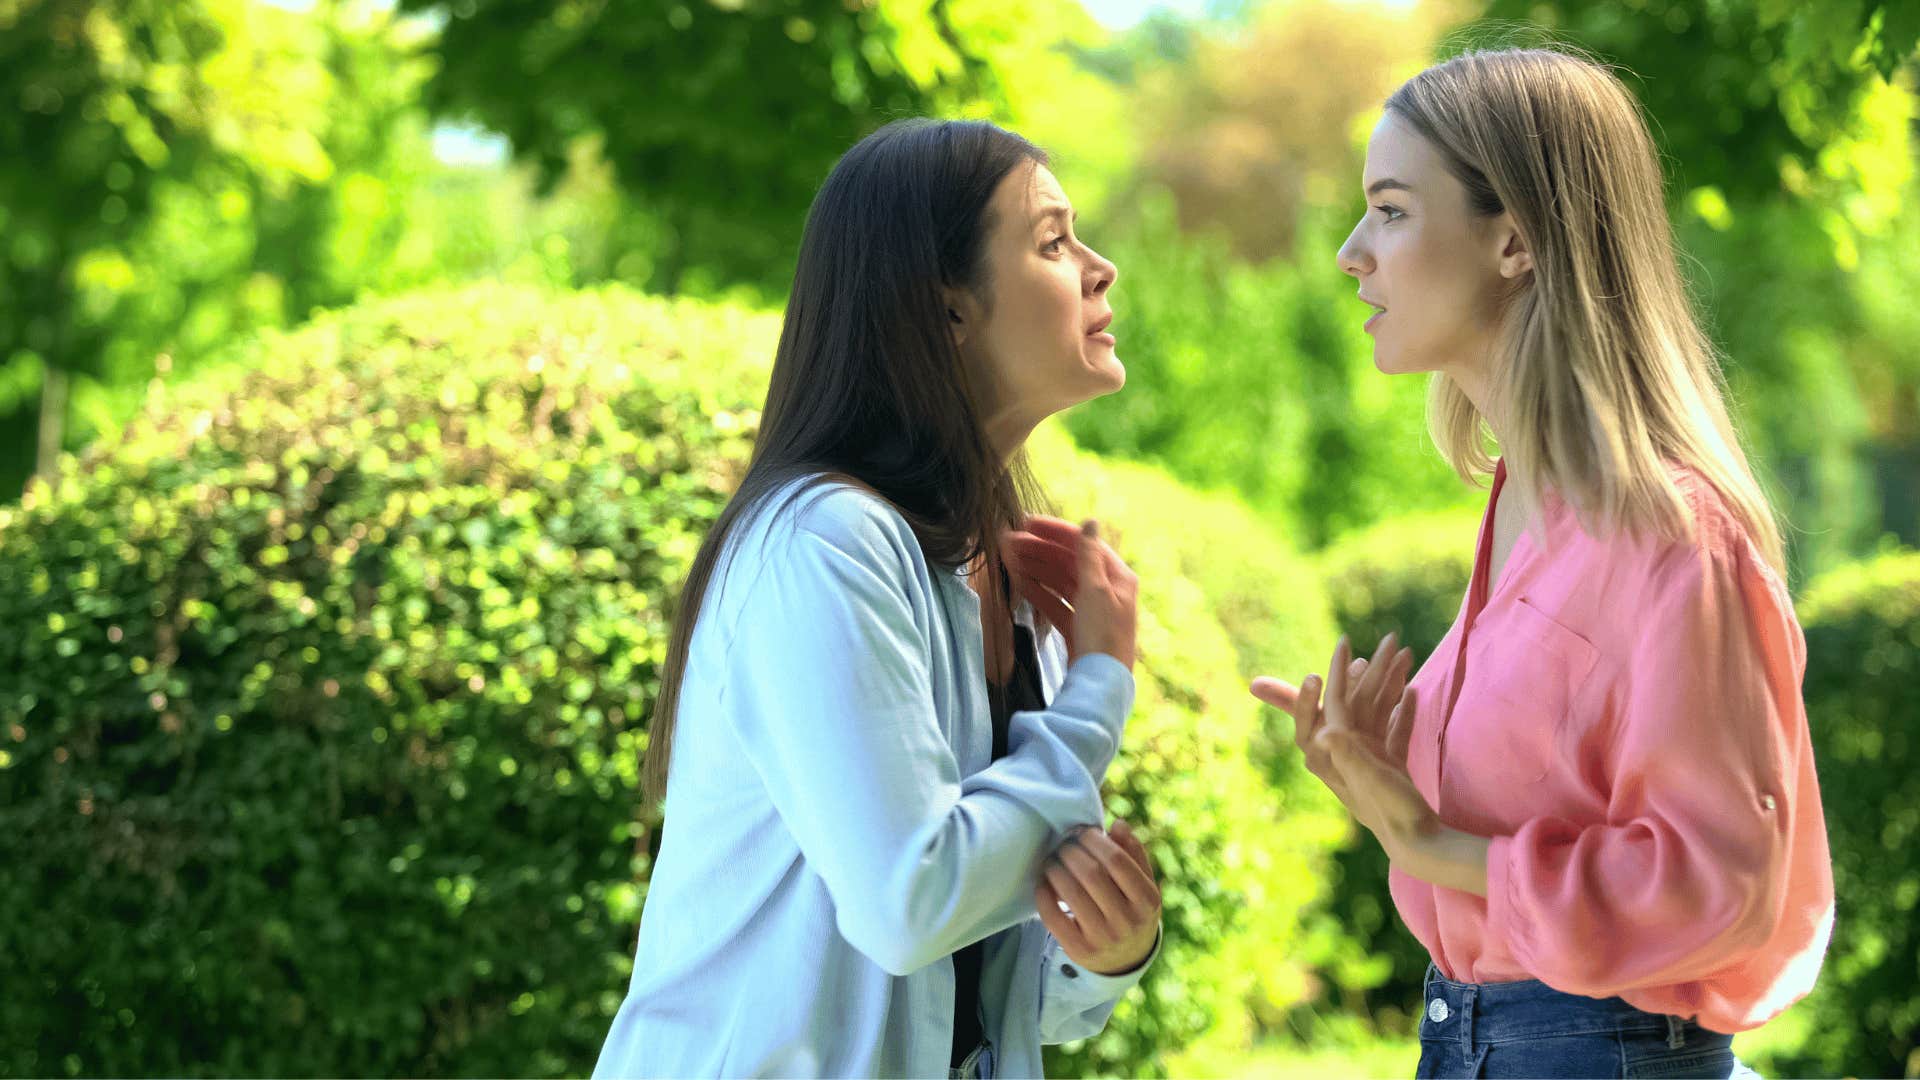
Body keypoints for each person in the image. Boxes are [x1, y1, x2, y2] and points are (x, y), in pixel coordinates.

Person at [1253, 47, 1834, 1079]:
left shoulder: (1676, 537)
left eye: (1390, 210)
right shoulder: (1517, 499)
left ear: (1514, 238)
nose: (1351, 252)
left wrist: (1433, 845)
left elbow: (1718, 883)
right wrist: (1393, 781)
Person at [593, 118, 1162, 1079]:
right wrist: (1099, 686)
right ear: (946, 312)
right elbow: (913, 903)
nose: (1100, 269)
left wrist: (1107, 950)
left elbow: (1002, 991)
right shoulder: (823, 541)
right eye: (1053, 242)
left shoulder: (1013, 584)